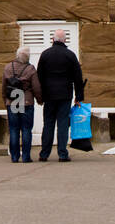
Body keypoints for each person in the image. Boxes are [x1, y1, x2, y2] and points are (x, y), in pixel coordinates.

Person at [36, 29, 84, 162]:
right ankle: (62, 154)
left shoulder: (45, 55)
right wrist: (79, 96)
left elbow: (38, 77)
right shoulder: (70, 55)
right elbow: (78, 78)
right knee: (63, 124)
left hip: (49, 96)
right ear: (65, 40)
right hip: (65, 95)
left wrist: (39, 97)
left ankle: (44, 154)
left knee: (48, 124)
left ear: (53, 39)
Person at [1, 46, 42, 163]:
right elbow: (36, 87)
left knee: (13, 129)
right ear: (27, 57)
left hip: (12, 102)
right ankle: (26, 157)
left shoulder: (8, 67)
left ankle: (14, 157)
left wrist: (5, 100)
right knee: (26, 129)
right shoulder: (30, 69)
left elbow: (4, 86)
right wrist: (39, 100)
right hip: (26, 102)